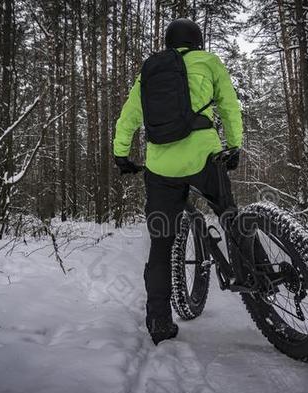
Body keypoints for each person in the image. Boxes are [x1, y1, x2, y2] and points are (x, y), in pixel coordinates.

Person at [113, 18, 243, 344]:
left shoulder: (150, 72)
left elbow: (128, 116)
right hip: (204, 157)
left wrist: (121, 155)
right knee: (228, 213)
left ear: (169, 43)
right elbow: (228, 105)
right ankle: (249, 271)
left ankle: (159, 322)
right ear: (197, 41)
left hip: (162, 169)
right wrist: (235, 145)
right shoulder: (210, 62)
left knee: (161, 245)